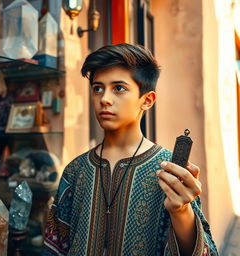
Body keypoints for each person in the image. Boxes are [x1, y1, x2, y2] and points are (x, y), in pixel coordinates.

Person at [43, 43, 218, 256]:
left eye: (119, 88)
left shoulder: (169, 172)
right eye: (97, 88)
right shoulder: (75, 170)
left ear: (147, 100)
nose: (104, 99)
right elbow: (55, 247)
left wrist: (181, 211)